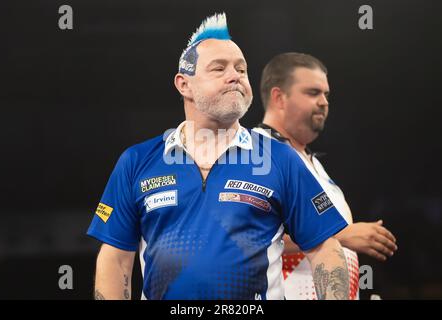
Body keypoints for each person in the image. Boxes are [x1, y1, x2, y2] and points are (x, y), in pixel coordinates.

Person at [87, 14, 351, 300]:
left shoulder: (280, 158)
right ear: (184, 84)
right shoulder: (136, 161)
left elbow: (325, 248)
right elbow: (115, 258)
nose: (235, 75)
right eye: (219, 68)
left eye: (241, 68)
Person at [254, 52, 398, 299]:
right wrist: (344, 235)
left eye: (326, 94)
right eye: (313, 93)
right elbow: (247, 237)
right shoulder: (256, 152)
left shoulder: (314, 164)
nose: (324, 102)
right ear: (279, 97)